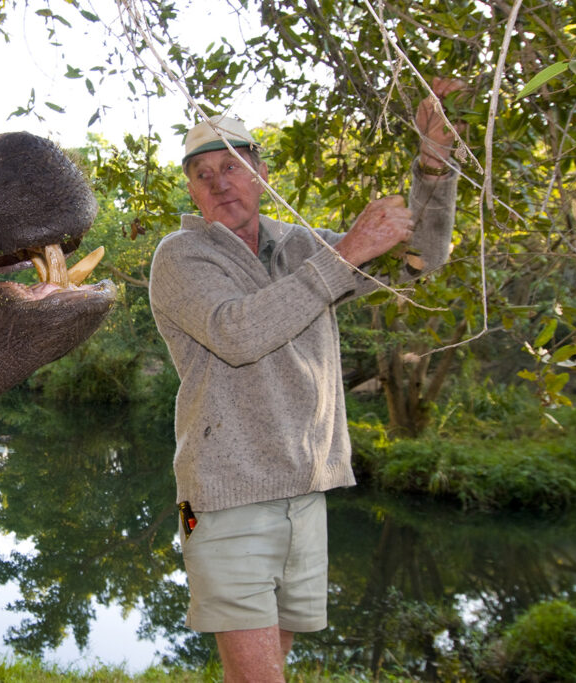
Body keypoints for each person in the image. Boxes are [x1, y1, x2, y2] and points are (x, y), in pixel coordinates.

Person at [148, 78, 464, 682]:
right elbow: (237, 333)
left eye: (232, 166)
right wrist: (346, 254)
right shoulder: (181, 256)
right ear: (190, 188)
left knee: (270, 665)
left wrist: (431, 167)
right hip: (223, 494)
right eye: (202, 174)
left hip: (305, 486)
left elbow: (423, 258)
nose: (219, 184)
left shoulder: (302, 247)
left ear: (260, 172)